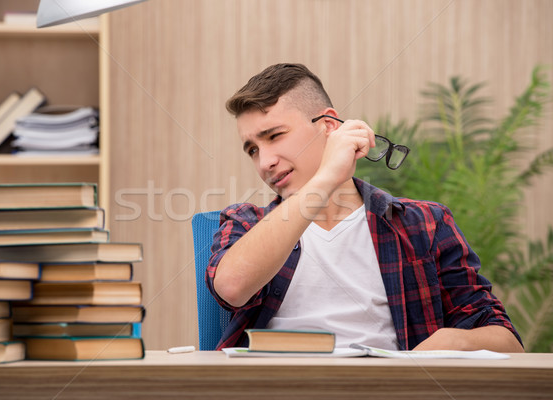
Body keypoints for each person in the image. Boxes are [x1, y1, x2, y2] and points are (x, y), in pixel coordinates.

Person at [206, 63, 523, 352]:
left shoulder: (425, 224)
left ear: (329, 125)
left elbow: (507, 343)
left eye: (274, 135)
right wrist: (328, 177)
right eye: (252, 150)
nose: (265, 162)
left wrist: (454, 340)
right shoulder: (245, 222)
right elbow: (231, 287)